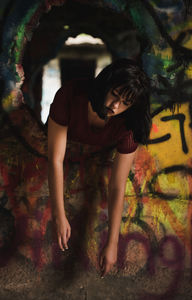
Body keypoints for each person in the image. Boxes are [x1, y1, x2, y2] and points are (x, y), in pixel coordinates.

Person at [47, 58, 151, 277]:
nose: (115, 106)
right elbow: (56, 159)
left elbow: (117, 186)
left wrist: (113, 242)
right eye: (114, 94)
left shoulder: (128, 126)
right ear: (105, 86)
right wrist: (58, 214)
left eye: (125, 103)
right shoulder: (71, 95)